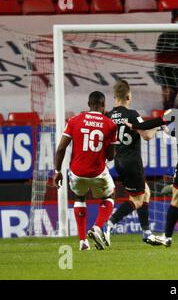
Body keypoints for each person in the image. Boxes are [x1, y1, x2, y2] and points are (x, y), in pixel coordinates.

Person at [128, 81, 178, 247]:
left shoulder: (176, 112)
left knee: (175, 197)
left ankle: (167, 236)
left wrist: (134, 125)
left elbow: (148, 124)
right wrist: (169, 131)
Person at [53, 91, 118, 251]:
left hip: (76, 172)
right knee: (110, 195)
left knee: (79, 197)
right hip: (97, 172)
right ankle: (97, 227)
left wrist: (57, 171)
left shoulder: (74, 120)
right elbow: (110, 157)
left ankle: (83, 241)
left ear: (89, 105)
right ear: (103, 106)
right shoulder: (110, 124)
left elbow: (61, 148)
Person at [106, 80, 167, 246]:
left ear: (114, 97)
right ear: (128, 96)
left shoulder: (108, 115)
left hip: (118, 161)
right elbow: (147, 135)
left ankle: (147, 232)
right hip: (132, 161)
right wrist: (158, 127)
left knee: (145, 192)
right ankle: (109, 224)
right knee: (137, 199)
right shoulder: (132, 114)